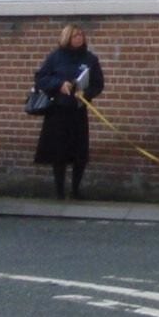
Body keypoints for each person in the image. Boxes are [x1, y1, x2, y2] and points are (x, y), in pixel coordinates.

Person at [33, 24, 105, 200]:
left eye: (81, 35)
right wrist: (59, 84)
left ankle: (76, 190)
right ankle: (59, 191)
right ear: (67, 38)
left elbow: (98, 83)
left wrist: (86, 93)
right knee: (59, 152)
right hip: (58, 111)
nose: (79, 38)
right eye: (75, 35)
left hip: (78, 111)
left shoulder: (90, 59)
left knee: (79, 152)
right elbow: (41, 78)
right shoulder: (55, 57)